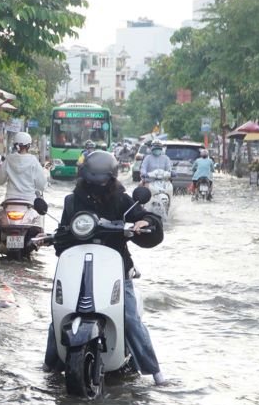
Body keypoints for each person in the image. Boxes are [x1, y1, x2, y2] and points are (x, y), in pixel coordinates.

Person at [43, 151, 167, 384]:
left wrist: (144, 222)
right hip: (79, 271)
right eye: (91, 181)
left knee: (129, 318)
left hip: (115, 270)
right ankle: (49, 365)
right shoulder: (72, 201)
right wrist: (52, 238)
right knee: (58, 315)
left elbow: (145, 218)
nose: (96, 186)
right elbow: (62, 237)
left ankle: (156, 373)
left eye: (101, 181)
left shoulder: (122, 199)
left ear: (111, 179)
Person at [0, 132, 46, 258]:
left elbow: (0, 180)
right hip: (28, 202)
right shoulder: (33, 161)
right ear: (29, 145)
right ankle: (37, 243)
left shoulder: (9, 159)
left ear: (16, 145)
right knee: (39, 222)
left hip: (10, 201)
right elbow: (41, 184)